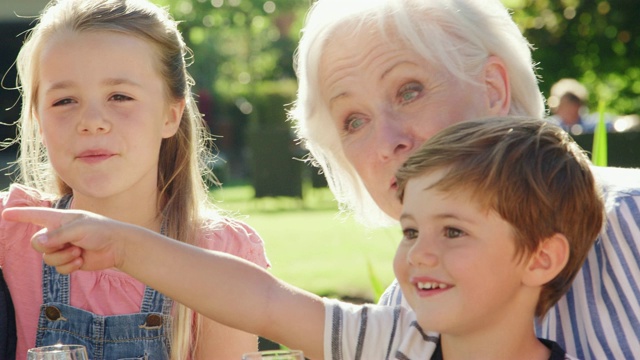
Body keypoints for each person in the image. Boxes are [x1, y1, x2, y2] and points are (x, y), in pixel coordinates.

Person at [4, 117, 605, 360]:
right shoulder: (391, 341)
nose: (420, 251)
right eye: (411, 229)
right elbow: (264, 301)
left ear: (540, 257)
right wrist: (127, 246)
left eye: (453, 231)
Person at [288, 0, 640, 358]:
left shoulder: (633, 219)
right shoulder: (407, 309)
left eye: (409, 92)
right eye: (354, 121)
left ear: (493, 89)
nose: (385, 143)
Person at [0, 0, 269, 358]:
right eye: (65, 101)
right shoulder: (14, 232)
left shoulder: (219, 254)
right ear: (38, 120)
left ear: (170, 116)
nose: (92, 121)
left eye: (120, 96)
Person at [547, 78, 613, 134]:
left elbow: (612, 123)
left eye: (573, 103)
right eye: (564, 104)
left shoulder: (590, 125)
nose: (570, 109)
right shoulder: (550, 126)